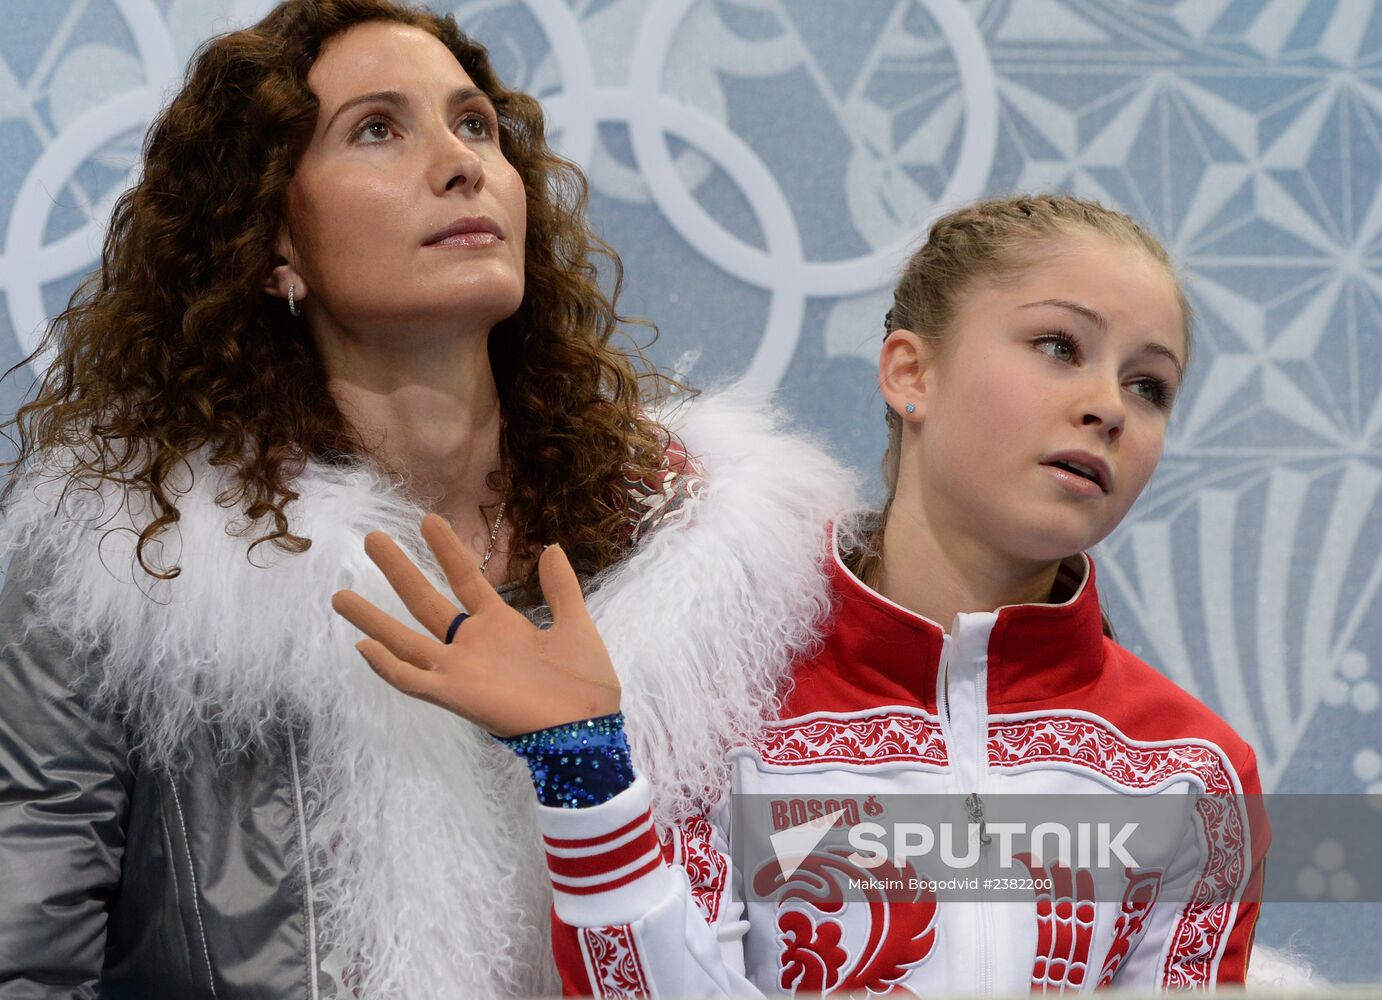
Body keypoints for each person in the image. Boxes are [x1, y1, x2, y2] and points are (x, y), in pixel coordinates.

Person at [0, 1, 852, 996]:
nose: (460, 163)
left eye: (474, 125)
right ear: (273, 238)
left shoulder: (722, 551)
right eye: (376, 129)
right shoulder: (129, 566)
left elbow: (865, 899)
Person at [342, 194, 1273, 995]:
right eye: (1059, 345)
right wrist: (585, 774)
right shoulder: (719, 690)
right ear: (912, 372)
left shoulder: (1194, 773)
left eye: (1150, 386)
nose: (1109, 404)